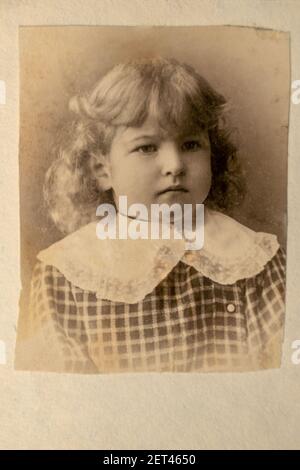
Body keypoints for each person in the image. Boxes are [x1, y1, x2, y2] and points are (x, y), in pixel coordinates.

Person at [15, 57, 286, 374]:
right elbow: (60, 394)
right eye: (147, 148)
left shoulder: (252, 259)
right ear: (102, 169)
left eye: (190, 144)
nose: (175, 164)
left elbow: (280, 380)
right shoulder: (67, 272)